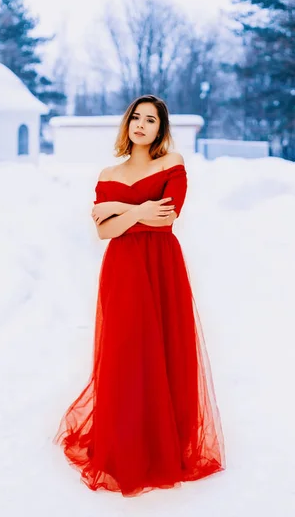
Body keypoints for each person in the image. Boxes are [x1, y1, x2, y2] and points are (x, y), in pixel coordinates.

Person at [54, 94, 226, 496]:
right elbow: (103, 231)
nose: (141, 124)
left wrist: (118, 209)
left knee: (163, 350)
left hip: (161, 267)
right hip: (122, 271)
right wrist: (132, 211)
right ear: (127, 124)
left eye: (151, 120)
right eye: (136, 117)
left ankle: (161, 443)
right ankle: (125, 443)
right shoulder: (107, 172)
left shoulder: (172, 164)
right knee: (125, 350)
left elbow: (167, 215)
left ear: (161, 130)